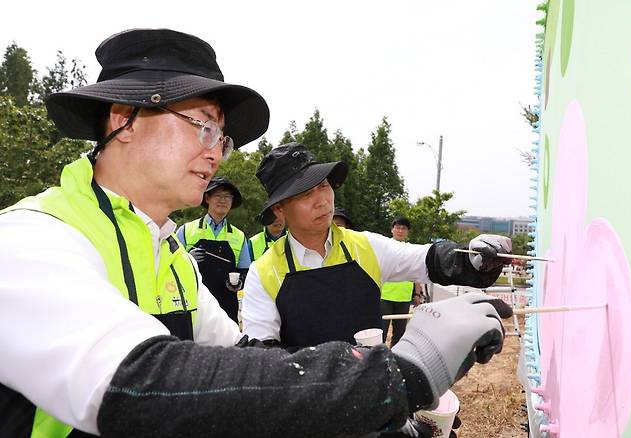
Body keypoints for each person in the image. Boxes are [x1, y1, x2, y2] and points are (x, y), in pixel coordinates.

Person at [0, 29, 512, 438]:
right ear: (124, 119)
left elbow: (235, 365)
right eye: (202, 126)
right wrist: (396, 374)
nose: (216, 153)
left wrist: (354, 416)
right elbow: (136, 385)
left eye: (221, 137)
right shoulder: (32, 240)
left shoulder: (169, 250)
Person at [242, 142, 513, 351]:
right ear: (279, 209)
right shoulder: (263, 273)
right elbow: (265, 360)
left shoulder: (365, 246)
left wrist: (473, 256)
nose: (322, 200)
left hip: (374, 398)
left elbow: (426, 260)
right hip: (305, 407)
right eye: (304, 194)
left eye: (323, 185)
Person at [176, 176, 249, 322]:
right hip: (194, 303)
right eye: (218, 195)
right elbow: (173, 266)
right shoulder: (185, 231)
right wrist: (188, 259)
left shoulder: (239, 236)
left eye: (227, 196)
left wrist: (238, 282)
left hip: (227, 307)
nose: (223, 200)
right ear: (207, 198)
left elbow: (245, 271)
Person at [381, 217, 418, 346]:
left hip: (404, 297)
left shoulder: (411, 249)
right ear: (392, 229)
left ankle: (394, 360)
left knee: (400, 333)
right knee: (381, 332)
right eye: (398, 227)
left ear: (408, 232)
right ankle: (378, 361)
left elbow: (416, 272)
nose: (400, 231)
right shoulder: (384, 246)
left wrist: (417, 294)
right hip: (384, 295)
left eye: (404, 228)